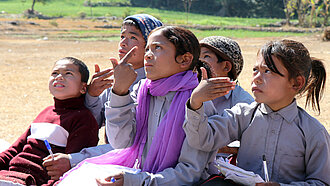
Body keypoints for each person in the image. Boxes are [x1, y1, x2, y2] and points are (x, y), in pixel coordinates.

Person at [60, 26, 223, 186]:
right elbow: (120, 142)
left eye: (157, 48)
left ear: (184, 59)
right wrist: (119, 92)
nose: (147, 56)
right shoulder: (143, 90)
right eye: (147, 49)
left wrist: (136, 181)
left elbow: (190, 173)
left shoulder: (197, 102)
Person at [184, 39, 330, 185]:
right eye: (255, 70)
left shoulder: (313, 132)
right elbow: (201, 140)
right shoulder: (243, 115)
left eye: (267, 71)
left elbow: (322, 182)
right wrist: (196, 102)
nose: (256, 79)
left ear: (296, 83)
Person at [42, 14, 163, 181]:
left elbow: (128, 146)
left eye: (132, 37)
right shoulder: (114, 80)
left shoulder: (156, 87)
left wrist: (73, 160)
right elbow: (90, 126)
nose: (123, 42)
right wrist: (92, 95)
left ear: (151, 46)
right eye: (122, 36)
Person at [0, 57, 99, 185]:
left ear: (83, 88)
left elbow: (70, 171)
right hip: (7, 175)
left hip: (28, 181)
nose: (59, 77)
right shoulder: (46, 112)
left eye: (68, 73)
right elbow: (14, 150)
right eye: (55, 73)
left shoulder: (83, 119)